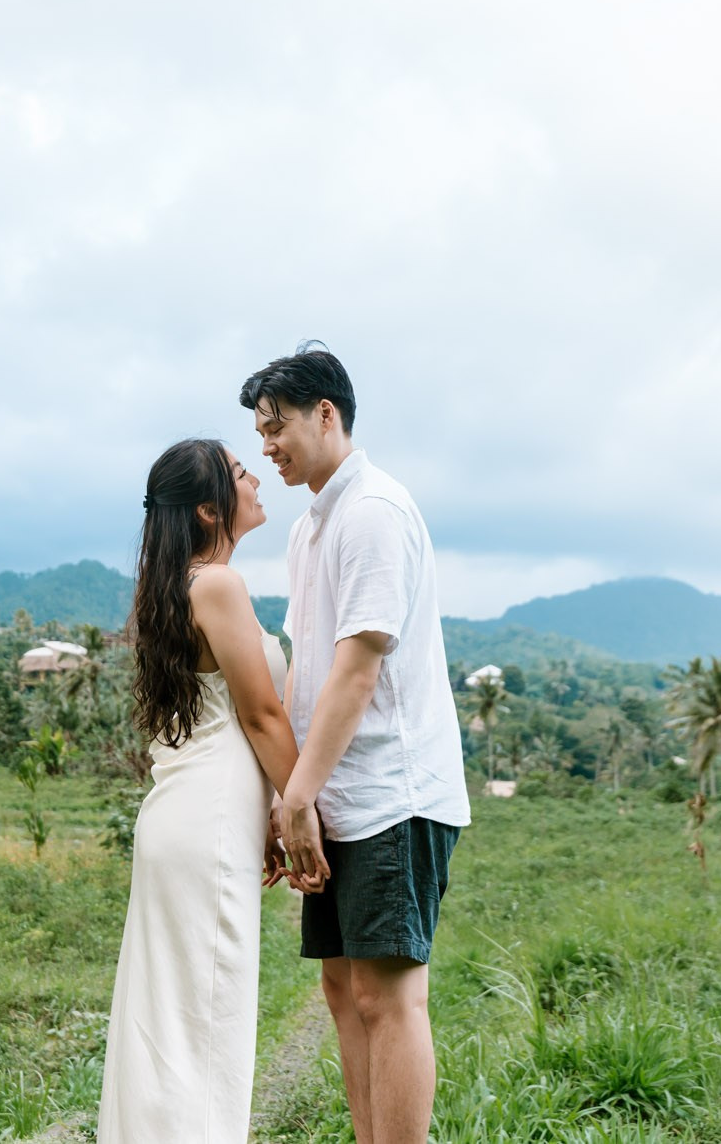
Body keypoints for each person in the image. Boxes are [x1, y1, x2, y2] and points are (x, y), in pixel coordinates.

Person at [241, 346, 471, 1144]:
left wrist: (300, 790)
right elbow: (309, 669)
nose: (266, 446)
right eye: (260, 432)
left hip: (391, 792)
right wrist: (292, 790)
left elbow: (359, 664)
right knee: (344, 991)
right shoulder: (312, 526)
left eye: (275, 427)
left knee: (388, 997)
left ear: (326, 414)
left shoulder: (374, 509)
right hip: (335, 794)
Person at [97, 438, 306, 1143]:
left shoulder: (175, 582)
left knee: (172, 1024)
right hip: (211, 820)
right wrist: (303, 807)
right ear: (212, 507)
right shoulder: (217, 584)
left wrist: (269, 810)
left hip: (184, 815)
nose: (257, 477)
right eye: (243, 472)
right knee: (206, 1026)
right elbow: (261, 714)